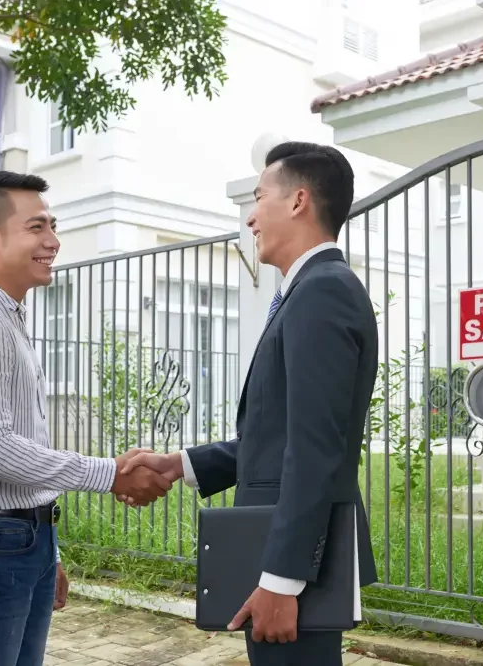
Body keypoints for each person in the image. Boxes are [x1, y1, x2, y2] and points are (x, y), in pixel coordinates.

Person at [121, 141, 379, 666]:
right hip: (289, 560)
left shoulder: (321, 292)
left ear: (298, 201)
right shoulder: (305, 289)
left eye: (259, 197)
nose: (252, 216)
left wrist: (283, 581)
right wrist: (181, 464)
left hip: (296, 569)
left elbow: (315, 450)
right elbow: (278, 437)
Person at [0, 171, 172, 666]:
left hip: (24, 539)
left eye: (52, 226)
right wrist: (109, 473)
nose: (53, 241)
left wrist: (50, 552)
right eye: (36, 227)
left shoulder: (5, 317)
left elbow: (18, 436)